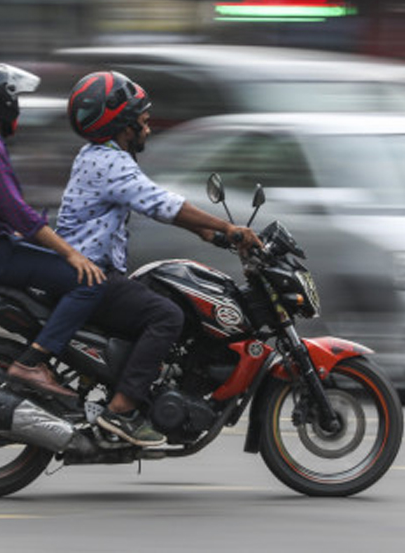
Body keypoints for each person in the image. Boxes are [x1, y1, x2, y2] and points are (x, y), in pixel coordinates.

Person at [58, 71, 261, 447]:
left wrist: (207, 233)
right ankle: (121, 411)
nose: (148, 128)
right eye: (144, 120)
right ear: (123, 123)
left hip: (82, 271)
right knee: (167, 315)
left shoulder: (95, 156)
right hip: (91, 275)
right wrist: (228, 228)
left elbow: (152, 201)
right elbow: (162, 204)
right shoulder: (111, 162)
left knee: (160, 297)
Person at [0, 63, 106, 403]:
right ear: (3, 103)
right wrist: (71, 253)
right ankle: (33, 362)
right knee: (89, 281)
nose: (18, 108)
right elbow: (18, 214)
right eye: (16, 99)